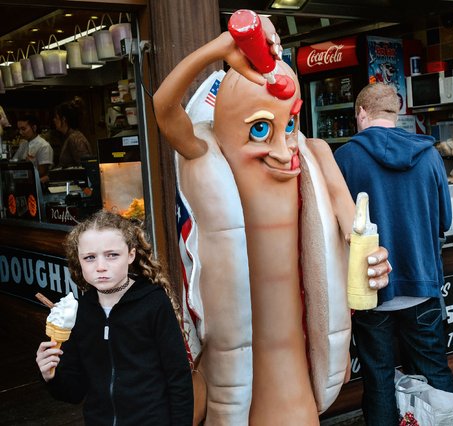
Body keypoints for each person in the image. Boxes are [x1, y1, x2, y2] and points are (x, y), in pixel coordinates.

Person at [153, 12, 391, 424]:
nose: (284, 149)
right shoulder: (206, 156)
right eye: (261, 131)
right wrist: (219, 49)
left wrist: (374, 261)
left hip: (298, 378)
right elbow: (163, 107)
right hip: (241, 385)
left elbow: (359, 232)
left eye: (291, 124)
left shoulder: (317, 158)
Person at [334, 83, 453, 426]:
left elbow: (335, 232)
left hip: (370, 292)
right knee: (434, 373)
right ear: (395, 114)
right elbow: (444, 220)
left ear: (360, 114)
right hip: (423, 288)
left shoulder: (343, 158)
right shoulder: (429, 155)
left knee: (378, 379)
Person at [35, 210, 193, 425]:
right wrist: (51, 376)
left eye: (112, 255)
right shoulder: (78, 313)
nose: (100, 266)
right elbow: (73, 393)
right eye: (90, 257)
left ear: (131, 255)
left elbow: (179, 378)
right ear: (78, 261)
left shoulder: (153, 304)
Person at [12, 115, 54, 184]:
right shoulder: (23, 144)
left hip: (37, 185)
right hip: (23, 182)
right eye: (19, 129)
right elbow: (14, 163)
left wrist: (19, 175)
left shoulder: (44, 146)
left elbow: (41, 172)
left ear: (34, 128)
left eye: (23, 129)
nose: (20, 132)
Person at [53, 97, 92, 168]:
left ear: (64, 119)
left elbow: (86, 167)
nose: (54, 120)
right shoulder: (70, 136)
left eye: (56, 117)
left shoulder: (74, 138)